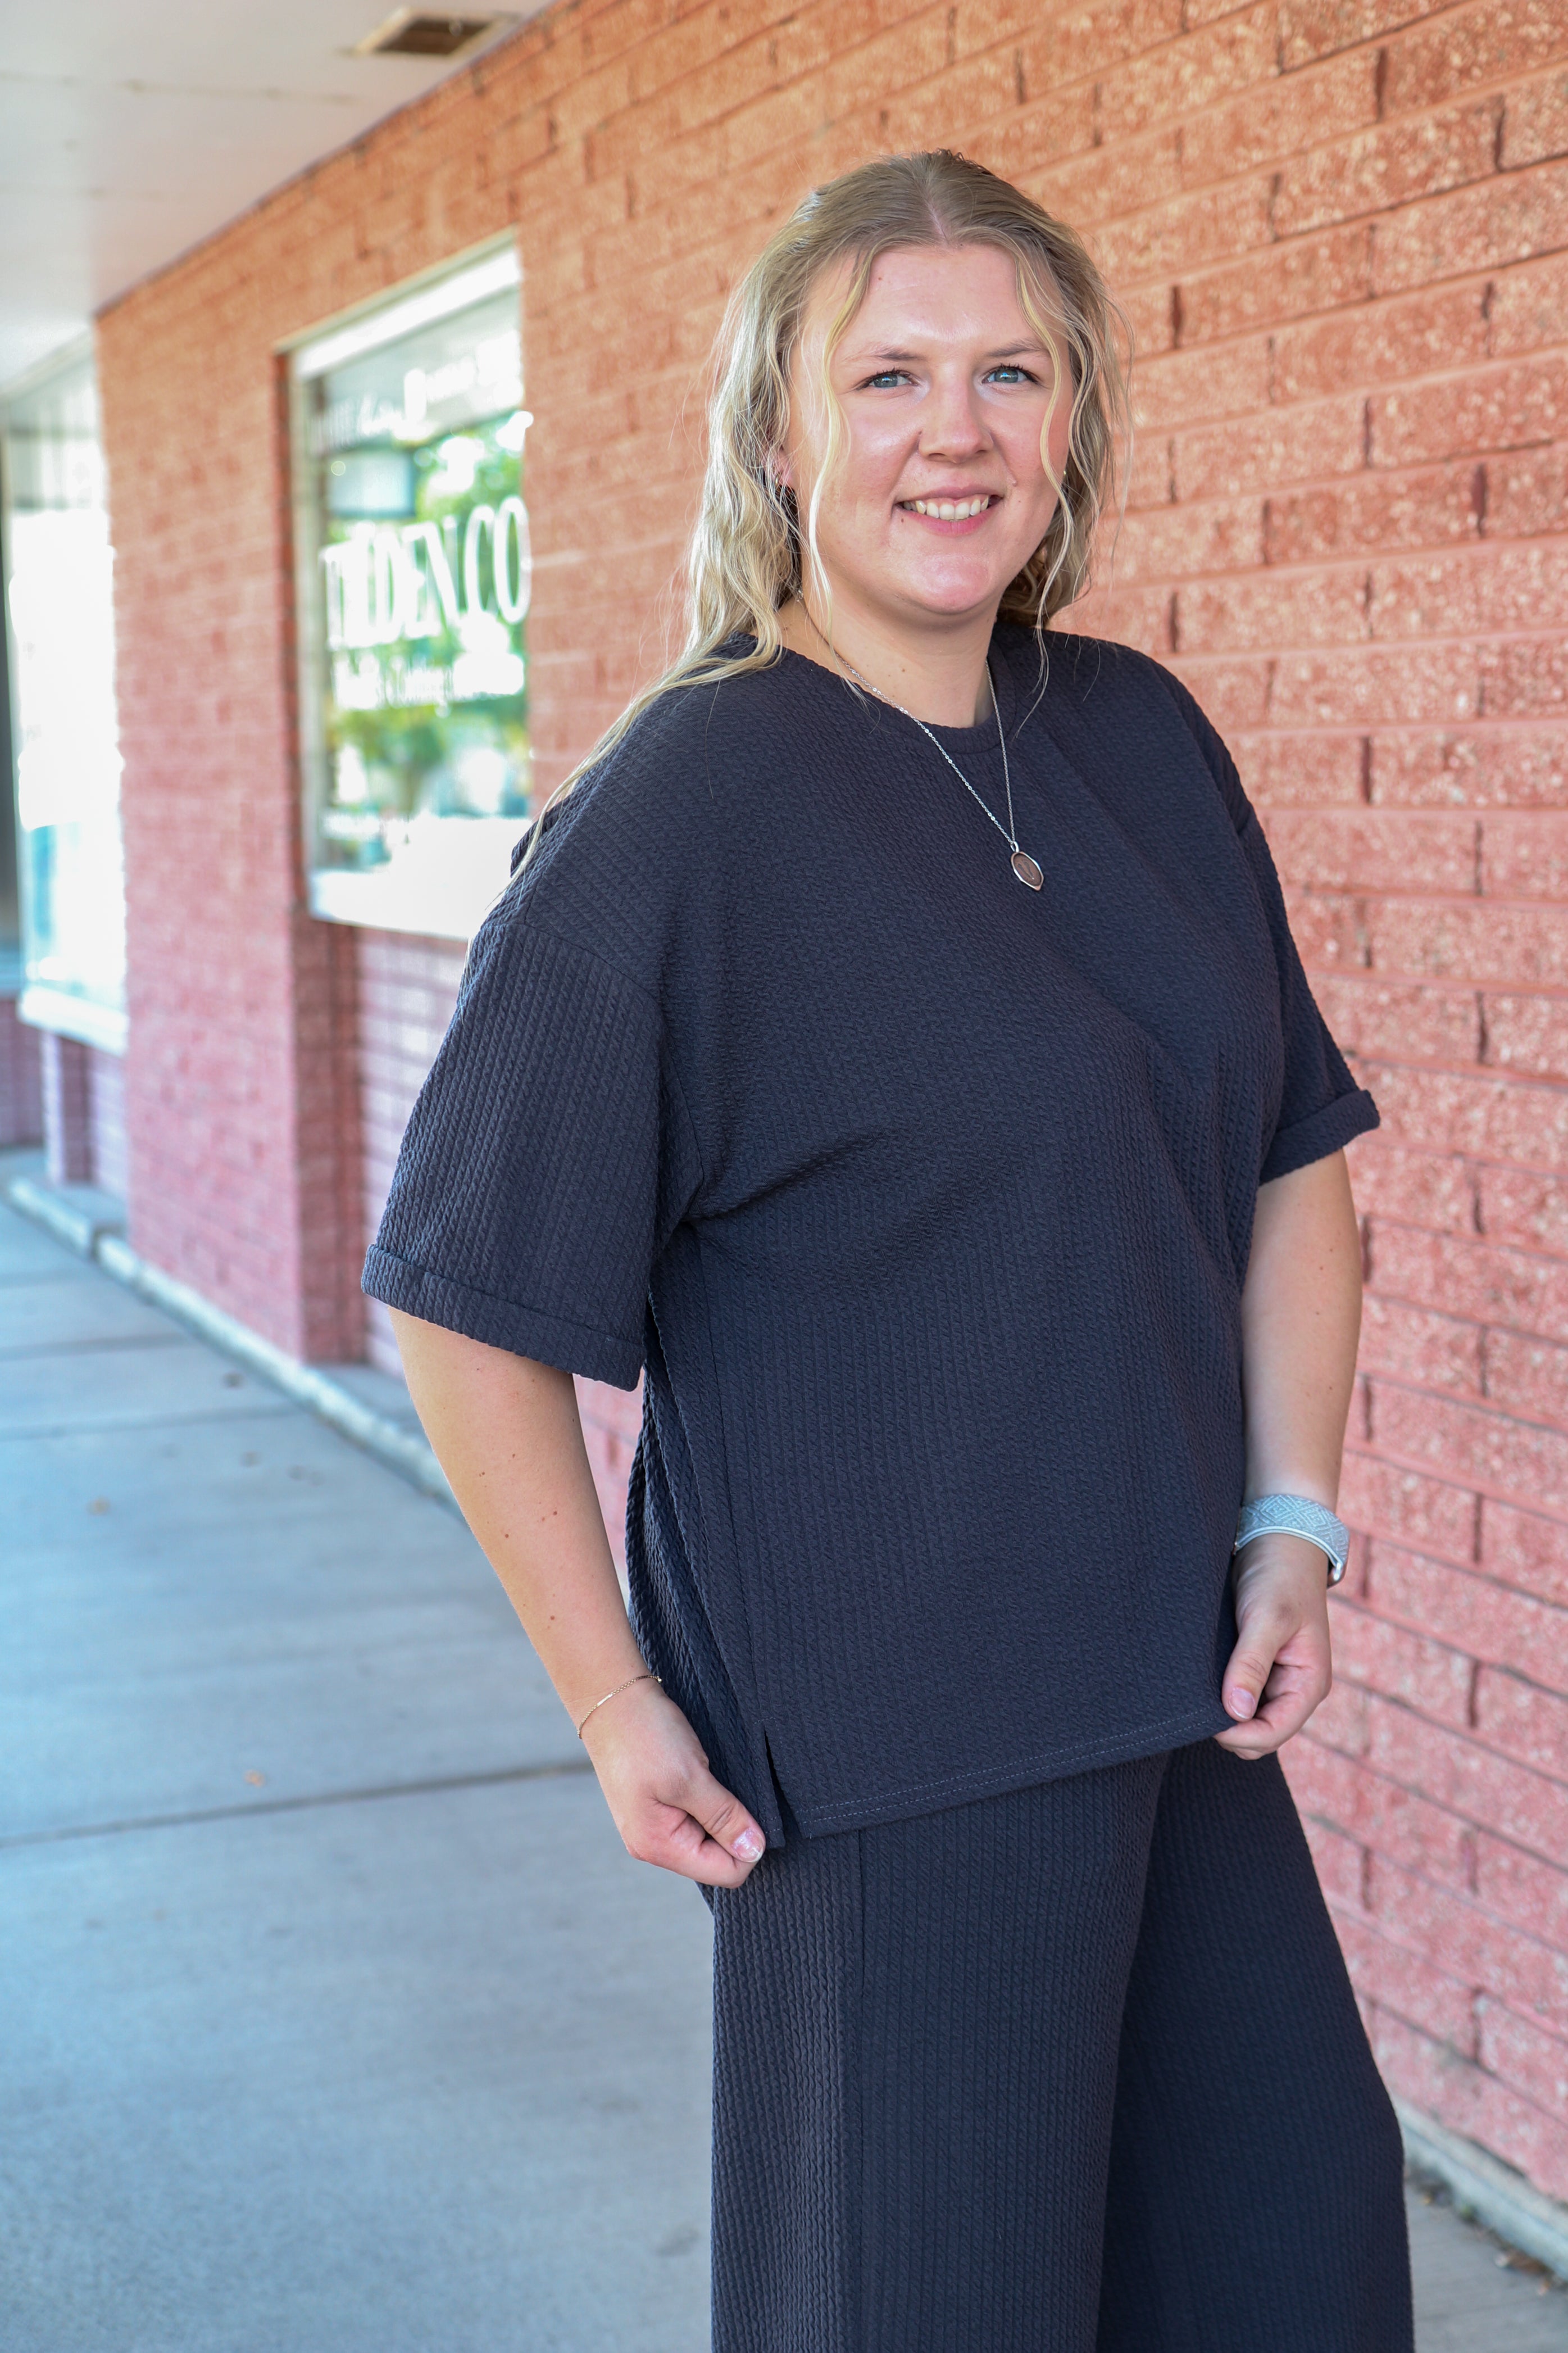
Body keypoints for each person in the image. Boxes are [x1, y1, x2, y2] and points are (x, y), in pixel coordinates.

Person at [366, 149, 1414, 2352]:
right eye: (889, 376)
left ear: (1068, 424)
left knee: (1274, 2268)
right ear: (778, 432)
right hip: (887, 1745)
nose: (955, 430)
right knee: (929, 2300)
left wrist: (1289, 1521)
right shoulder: (685, 811)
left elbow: (1286, 1163)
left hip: (1176, 1692)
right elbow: (456, 1301)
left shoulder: (1127, 734)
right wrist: (609, 1699)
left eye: (1008, 372)